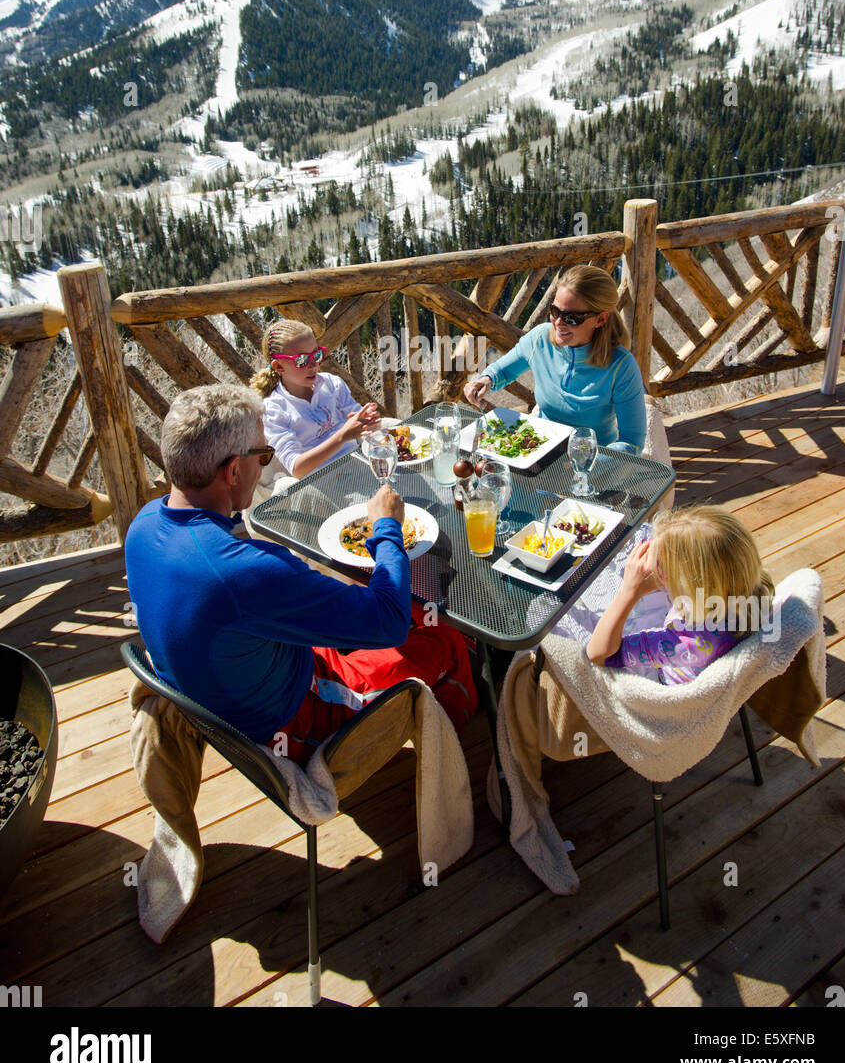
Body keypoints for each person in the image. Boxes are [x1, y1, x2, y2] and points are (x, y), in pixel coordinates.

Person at [125, 384, 477, 763]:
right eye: (262, 456)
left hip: (250, 674)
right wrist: (387, 527)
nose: (264, 463)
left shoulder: (142, 525)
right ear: (231, 471)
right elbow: (388, 623)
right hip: (298, 719)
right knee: (447, 637)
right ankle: (457, 751)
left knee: (409, 606)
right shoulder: (244, 570)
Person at [464, 264, 647, 453]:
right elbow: (502, 371)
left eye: (572, 318)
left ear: (600, 320)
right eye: (555, 311)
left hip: (594, 463)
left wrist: (587, 463)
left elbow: (632, 442)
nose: (559, 323)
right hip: (539, 450)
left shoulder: (621, 366)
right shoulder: (540, 339)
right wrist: (485, 380)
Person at [584, 505, 775, 684]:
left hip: (663, 677)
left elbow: (600, 654)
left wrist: (629, 590)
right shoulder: (756, 589)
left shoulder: (685, 643)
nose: (657, 567)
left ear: (692, 583)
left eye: (663, 566)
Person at [250, 319, 381, 479]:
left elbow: (361, 422)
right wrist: (342, 436)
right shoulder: (274, 409)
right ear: (279, 366)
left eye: (316, 354)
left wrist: (368, 420)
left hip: (360, 462)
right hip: (322, 483)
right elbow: (297, 468)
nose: (313, 365)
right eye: (301, 360)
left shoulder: (331, 384)